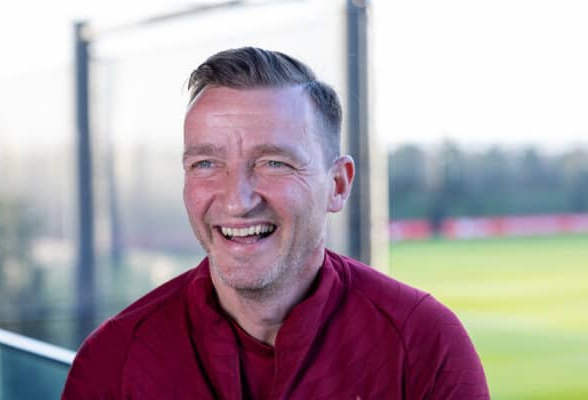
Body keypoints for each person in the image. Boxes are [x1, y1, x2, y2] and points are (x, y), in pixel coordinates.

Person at [62, 47, 489, 399]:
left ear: (338, 185)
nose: (237, 199)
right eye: (207, 163)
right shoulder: (113, 362)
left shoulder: (424, 344)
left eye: (273, 163)